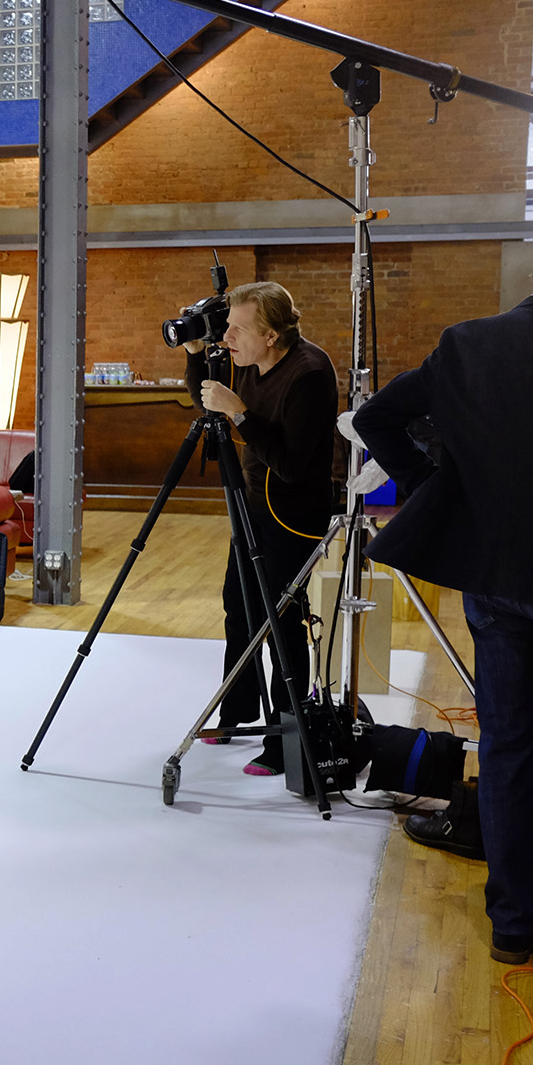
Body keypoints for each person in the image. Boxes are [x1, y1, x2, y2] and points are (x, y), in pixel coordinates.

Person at [353, 218, 533, 965]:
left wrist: (431, 486)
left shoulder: (469, 344)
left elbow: (376, 417)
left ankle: (515, 923)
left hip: (494, 578)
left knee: (505, 748)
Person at [182, 281, 339, 775]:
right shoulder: (246, 360)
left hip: (294, 514)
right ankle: (236, 712)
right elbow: (207, 401)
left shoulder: (309, 373)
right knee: (240, 607)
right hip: (253, 504)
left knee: (281, 621)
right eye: (227, 327)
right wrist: (194, 354)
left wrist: (240, 413)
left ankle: (287, 740)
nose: (226, 337)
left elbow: (290, 464)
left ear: (271, 335)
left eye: (238, 329)